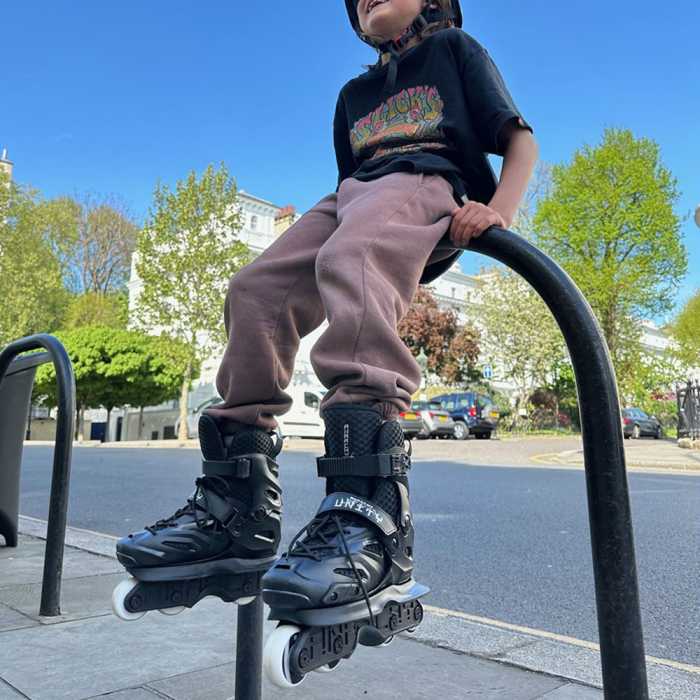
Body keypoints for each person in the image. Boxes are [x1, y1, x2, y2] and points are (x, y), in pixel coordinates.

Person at [113, 0, 537, 685]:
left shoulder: (454, 51)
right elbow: (350, 183)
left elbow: (520, 141)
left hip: (429, 182)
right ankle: (237, 506)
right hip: (352, 196)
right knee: (255, 290)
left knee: (355, 256)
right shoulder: (352, 96)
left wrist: (500, 211)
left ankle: (373, 518)